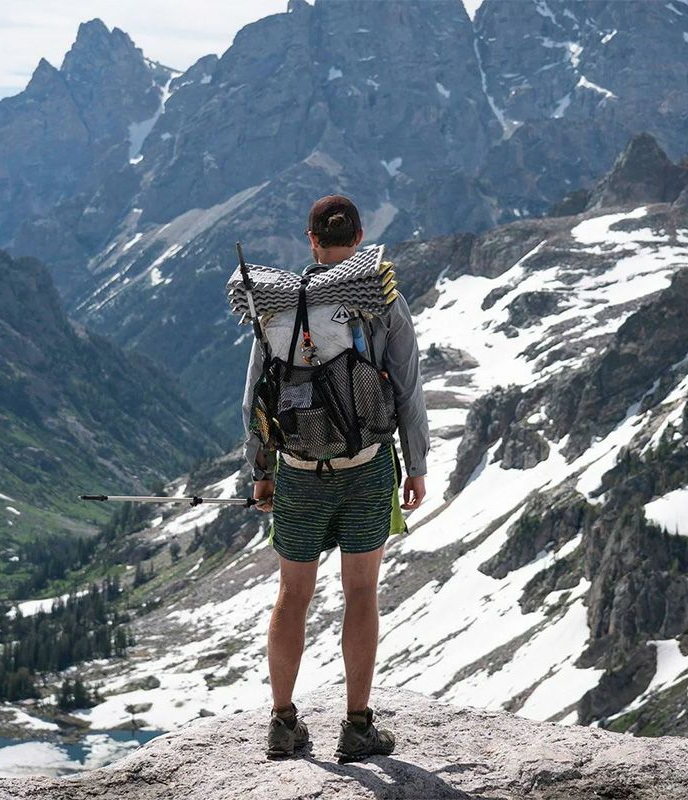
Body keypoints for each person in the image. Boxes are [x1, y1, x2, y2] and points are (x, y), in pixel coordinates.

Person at [241, 194, 429, 762]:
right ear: (361, 236)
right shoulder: (378, 297)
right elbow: (407, 387)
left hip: (299, 470)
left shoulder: (278, 304)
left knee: (292, 595)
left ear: (311, 239)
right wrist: (416, 466)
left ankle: (282, 722)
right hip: (366, 466)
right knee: (361, 592)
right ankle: (357, 726)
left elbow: (256, 398)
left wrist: (261, 471)